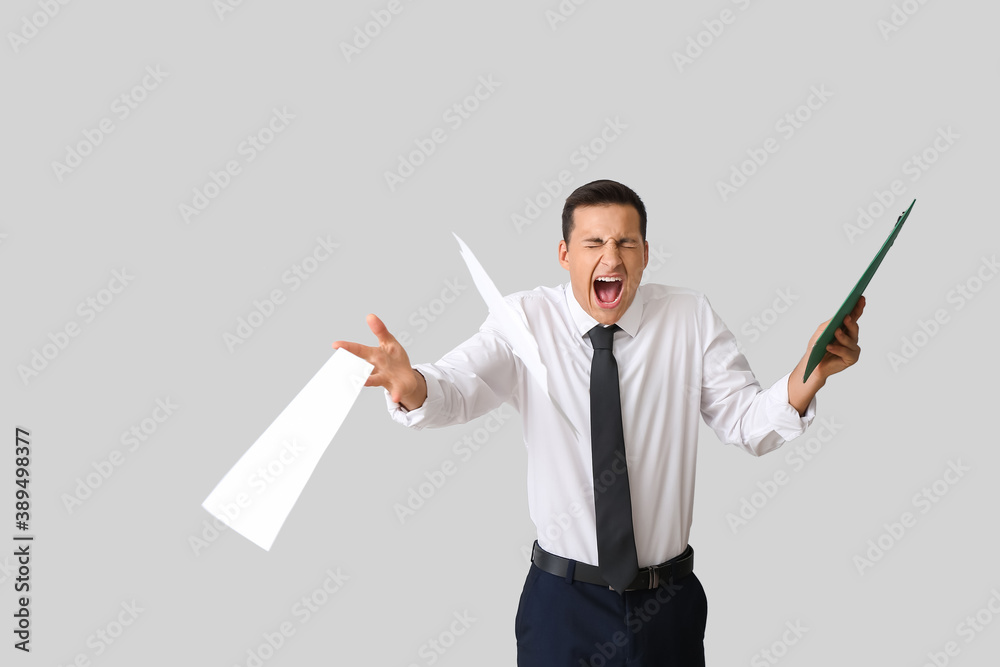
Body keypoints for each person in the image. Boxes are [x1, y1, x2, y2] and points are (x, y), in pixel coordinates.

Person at [332, 180, 863, 666]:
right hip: (562, 604)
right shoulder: (524, 320)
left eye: (626, 244)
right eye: (593, 244)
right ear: (565, 254)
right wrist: (414, 386)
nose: (612, 257)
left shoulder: (689, 317)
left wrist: (808, 373)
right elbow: (458, 387)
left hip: (667, 603)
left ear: (646, 254)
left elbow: (748, 423)